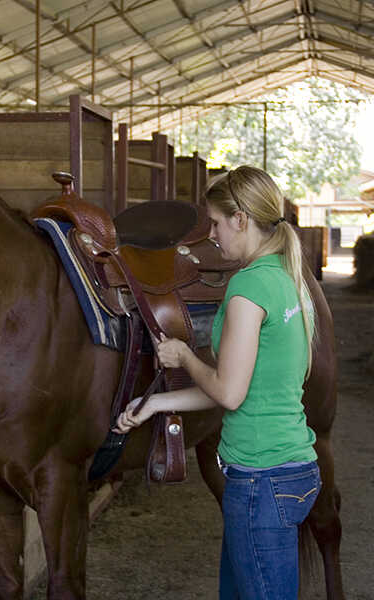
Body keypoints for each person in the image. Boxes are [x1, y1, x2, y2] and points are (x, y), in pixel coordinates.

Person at [114, 165, 322, 600]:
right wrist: (156, 403)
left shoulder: (247, 287)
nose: (212, 235)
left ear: (241, 219)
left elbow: (228, 391)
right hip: (293, 468)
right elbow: (242, 388)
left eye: (216, 222)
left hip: (258, 482)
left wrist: (184, 355)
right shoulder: (289, 277)